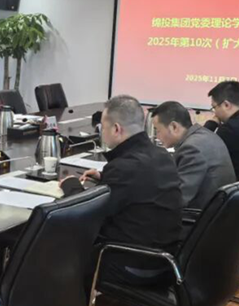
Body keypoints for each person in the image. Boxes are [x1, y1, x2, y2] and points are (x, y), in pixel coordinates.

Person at [71, 95, 183, 286]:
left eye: (103, 128)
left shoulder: (123, 167)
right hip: (165, 262)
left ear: (116, 129)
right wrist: (104, 178)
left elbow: (87, 214)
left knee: (59, 246)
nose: (101, 132)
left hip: (134, 265)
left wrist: (71, 185)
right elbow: (137, 187)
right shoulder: (162, 155)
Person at [151, 101, 236, 209]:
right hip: (217, 209)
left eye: (158, 131)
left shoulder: (191, 149)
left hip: (199, 215)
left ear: (174, 126)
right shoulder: (205, 134)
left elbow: (178, 199)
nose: (157, 137)